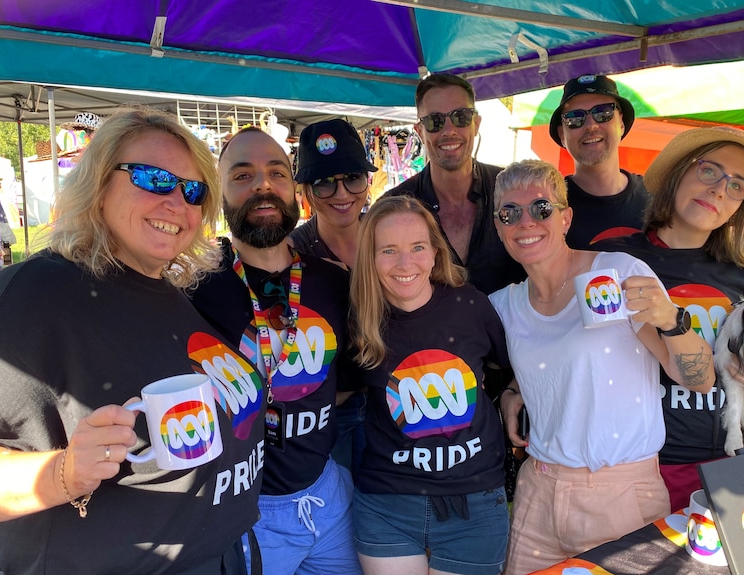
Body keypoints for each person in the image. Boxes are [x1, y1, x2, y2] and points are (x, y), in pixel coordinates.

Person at [0, 107, 266, 574]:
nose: (177, 202)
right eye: (153, 178)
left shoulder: (168, 288)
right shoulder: (33, 296)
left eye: (193, 191)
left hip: (225, 554)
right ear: (97, 182)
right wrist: (64, 474)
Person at [488, 159, 715, 574]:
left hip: (620, 495)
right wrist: (513, 391)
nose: (526, 221)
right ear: (499, 226)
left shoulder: (616, 273)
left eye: (541, 208)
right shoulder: (504, 305)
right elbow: (549, 364)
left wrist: (672, 320)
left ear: (565, 218)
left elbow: (698, 380)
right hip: (538, 491)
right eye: (510, 212)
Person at [190, 127, 363, 575]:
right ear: (219, 193)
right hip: (249, 514)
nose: (263, 186)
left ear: (295, 190)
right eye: (242, 175)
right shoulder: (192, 290)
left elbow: (347, 381)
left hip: (330, 499)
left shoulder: (334, 282)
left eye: (276, 173)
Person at [595, 126, 744, 510]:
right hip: (640, 465)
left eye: (737, 186)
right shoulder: (612, 258)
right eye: (709, 171)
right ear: (678, 173)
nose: (719, 189)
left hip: (736, 458)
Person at [349, 195, 510, 575]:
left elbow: (512, 367)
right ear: (370, 259)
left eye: (418, 247)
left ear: (436, 253)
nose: (406, 264)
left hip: (474, 505)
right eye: (388, 250)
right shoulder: (359, 319)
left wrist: (514, 392)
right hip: (386, 505)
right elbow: (342, 391)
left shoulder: (469, 305)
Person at [289, 118, 378, 478]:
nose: (342, 194)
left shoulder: (388, 235)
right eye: (325, 184)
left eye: (353, 178)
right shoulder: (290, 252)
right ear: (307, 192)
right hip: (329, 414)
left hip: (391, 401)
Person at [385, 72, 525, 296]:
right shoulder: (393, 207)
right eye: (435, 121)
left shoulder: (514, 190)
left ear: (476, 124)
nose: (449, 131)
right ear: (420, 131)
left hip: (510, 331)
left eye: (461, 117)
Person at [548, 74, 650, 249]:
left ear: (621, 124)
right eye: (574, 118)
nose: (591, 125)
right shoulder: (547, 208)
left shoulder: (658, 199)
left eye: (603, 112)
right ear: (562, 134)